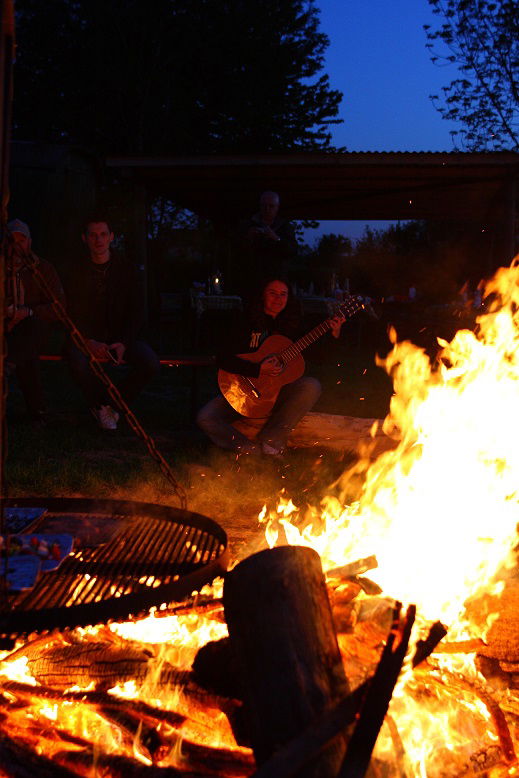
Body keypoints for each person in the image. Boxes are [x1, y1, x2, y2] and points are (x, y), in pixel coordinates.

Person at [196, 277, 345, 457]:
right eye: (272, 293)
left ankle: (271, 443)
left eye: (283, 294)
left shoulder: (292, 326)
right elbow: (223, 358)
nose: (278, 299)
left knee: (311, 385)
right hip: (240, 392)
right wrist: (257, 369)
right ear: (262, 295)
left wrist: (334, 332)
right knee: (206, 417)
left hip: (273, 393)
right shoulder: (244, 321)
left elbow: (319, 358)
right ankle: (251, 451)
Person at [62, 217, 160, 430]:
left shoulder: (126, 269)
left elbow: (137, 311)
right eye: (93, 235)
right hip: (86, 336)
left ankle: (109, 405)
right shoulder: (74, 271)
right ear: (85, 238)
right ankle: (101, 407)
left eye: (103, 234)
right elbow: (69, 311)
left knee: (150, 362)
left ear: (111, 237)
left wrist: (124, 342)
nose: (98, 240)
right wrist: (87, 341)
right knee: (77, 361)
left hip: (121, 336)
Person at [5, 219, 66, 424]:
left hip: (33, 328)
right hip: (7, 328)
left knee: (30, 333)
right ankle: (37, 410)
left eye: (21, 240)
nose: (16, 245)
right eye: (11, 241)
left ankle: (8, 365)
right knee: (27, 354)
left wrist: (29, 311)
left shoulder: (43, 268)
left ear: (29, 242)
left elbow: (59, 306)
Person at [236, 191, 298, 301]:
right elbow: (237, 251)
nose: (267, 209)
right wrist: (248, 237)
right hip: (252, 282)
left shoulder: (285, 228)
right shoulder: (247, 225)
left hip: (276, 282)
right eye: (264, 205)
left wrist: (276, 238)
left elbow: (292, 251)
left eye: (271, 206)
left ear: (277, 208)